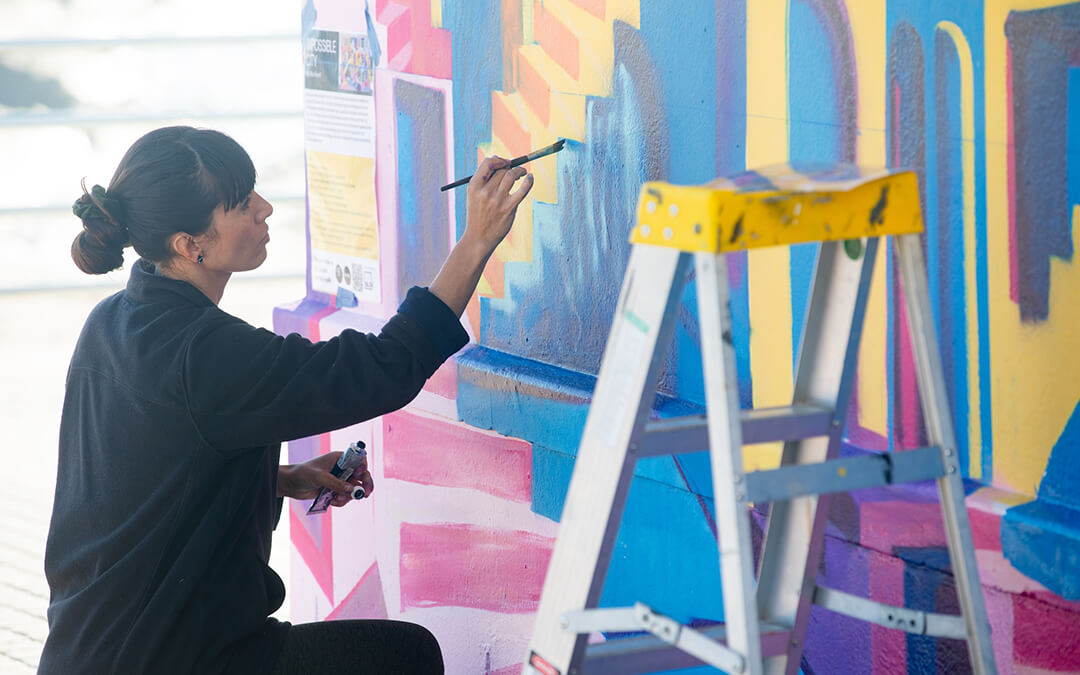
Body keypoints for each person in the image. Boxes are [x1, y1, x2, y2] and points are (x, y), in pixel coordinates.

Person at [40, 126, 533, 674]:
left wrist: (271, 477)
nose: (265, 208)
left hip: (86, 654)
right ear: (189, 244)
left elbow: (139, 471)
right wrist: (476, 241)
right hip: (173, 658)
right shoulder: (206, 351)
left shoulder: (112, 321)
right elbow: (385, 368)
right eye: (242, 203)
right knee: (405, 657)